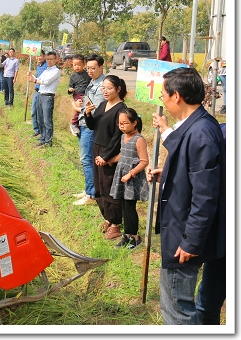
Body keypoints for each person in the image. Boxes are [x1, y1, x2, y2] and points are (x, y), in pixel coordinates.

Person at [146, 67, 225, 325]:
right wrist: (169, 174)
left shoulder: (200, 132)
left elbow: (206, 195)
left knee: (177, 308)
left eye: (164, 96)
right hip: (184, 227)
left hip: (185, 234)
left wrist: (191, 241)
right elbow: (196, 176)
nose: (163, 102)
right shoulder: (198, 125)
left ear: (176, 96)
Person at [83, 75, 127, 239]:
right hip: (97, 147)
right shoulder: (102, 105)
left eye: (109, 88)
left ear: (118, 89)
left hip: (110, 151)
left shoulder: (121, 110)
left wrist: (107, 156)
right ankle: (108, 218)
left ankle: (116, 224)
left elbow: (117, 136)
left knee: (110, 188)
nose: (105, 91)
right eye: (103, 88)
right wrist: (88, 114)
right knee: (99, 186)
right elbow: (94, 126)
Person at [109, 108, 149, 250]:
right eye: (119, 123)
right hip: (122, 174)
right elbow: (122, 154)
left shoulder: (139, 140)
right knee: (124, 207)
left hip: (132, 178)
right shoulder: (123, 137)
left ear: (134, 123)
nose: (121, 126)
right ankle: (126, 235)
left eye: (125, 123)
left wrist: (130, 174)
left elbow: (144, 161)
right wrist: (111, 160)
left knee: (130, 208)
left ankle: (135, 237)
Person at [72, 54, 106, 206]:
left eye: (93, 68)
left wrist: (77, 107)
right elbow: (87, 103)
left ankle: (92, 194)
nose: (90, 71)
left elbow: (93, 110)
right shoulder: (92, 82)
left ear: (101, 67)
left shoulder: (102, 86)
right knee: (86, 159)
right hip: (85, 123)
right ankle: (89, 190)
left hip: (90, 126)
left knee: (87, 159)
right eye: (88, 68)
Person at [27, 51, 61, 147]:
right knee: (40, 118)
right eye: (48, 59)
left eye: (51, 59)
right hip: (41, 95)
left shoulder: (56, 71)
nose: (49, 61)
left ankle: (48, 141)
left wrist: (34, 80)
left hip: (48, 96)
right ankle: (43, 138)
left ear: (56, 60)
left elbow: (45, 82)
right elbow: (38, 78)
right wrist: (31, 75)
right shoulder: (46, 70)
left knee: (47, 120)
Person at [67, 54, 92, 136]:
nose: (77, 67)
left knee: (86, 109)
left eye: (79, 65)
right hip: (77, 94)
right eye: (75, 65)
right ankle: (74, 123)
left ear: (83, 64)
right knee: (80, 108)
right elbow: (70, 86)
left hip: (86, 95)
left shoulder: (88, 74)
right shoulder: (73, 76)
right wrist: (70, 89)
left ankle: (81, 123)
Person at [30, 51, 48, 137]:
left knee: (41, 114)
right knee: (34, 111)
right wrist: (31, 76)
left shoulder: (47, 66)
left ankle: (42, 132)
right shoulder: (38, 65)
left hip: (44, 92)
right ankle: (37, 130)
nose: (38, 58)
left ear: (44, 56)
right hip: (37, 91)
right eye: (37, 56)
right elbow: (37, 78)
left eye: (40, 56)